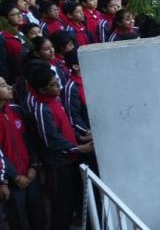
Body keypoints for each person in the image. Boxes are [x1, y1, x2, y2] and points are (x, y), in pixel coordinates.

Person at [27, 65, 94, 230]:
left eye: (57, 81)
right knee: (62, 204)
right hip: (59, 163)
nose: (59, 86)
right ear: (42, 90)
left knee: (74, 198)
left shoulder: (54, 100)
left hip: (71, 156)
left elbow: (64, 128)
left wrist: (80, 138)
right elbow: (52, 141)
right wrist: (78, 149)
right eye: (54, 84)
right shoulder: (42, 109)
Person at [0, 76, 45, 230]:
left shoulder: (17, 110)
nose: (10, 87)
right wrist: (14, 176)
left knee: (38, 214)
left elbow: (30, 139)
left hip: (30, 174)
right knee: (18, 219)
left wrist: (34, 165)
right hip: (11, 181)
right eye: (3, 85)